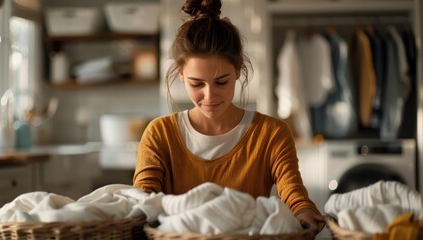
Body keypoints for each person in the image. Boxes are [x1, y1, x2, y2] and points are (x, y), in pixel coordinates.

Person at [133, 0, 325, 233]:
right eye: (197, 84)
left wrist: (303, 212)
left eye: (221, 82)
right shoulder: (159, 134)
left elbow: (293, 194)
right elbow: (143, 204)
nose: (209, 95)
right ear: (181, 74)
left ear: (238, 69)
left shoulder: (271, 133)